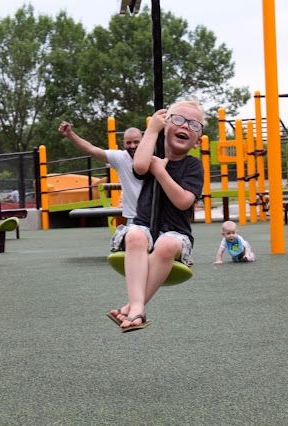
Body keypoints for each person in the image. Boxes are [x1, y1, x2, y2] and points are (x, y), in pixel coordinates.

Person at [108, 99, 205, 332]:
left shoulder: (193, 166)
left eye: (193, 125)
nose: (185, 126)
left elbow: (183, 201)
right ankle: (137, 308)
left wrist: (160, 171)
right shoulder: (151, 154)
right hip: (144, 226)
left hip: (177, 233)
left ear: (198, 141)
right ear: (165, 126)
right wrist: (151, 129)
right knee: (134, 236)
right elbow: (140, 167)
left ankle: (133, 306)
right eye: (178, 120)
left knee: (167, 244)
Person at [58, 122, 143, 222]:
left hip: (155, 215)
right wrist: (70, 134)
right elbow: (91, 150)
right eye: (129, 143)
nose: (133, 146)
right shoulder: (120, 158)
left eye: (136, 142)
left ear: (143, 142)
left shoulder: (154, 157)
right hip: (134, 217)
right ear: (124, 143)